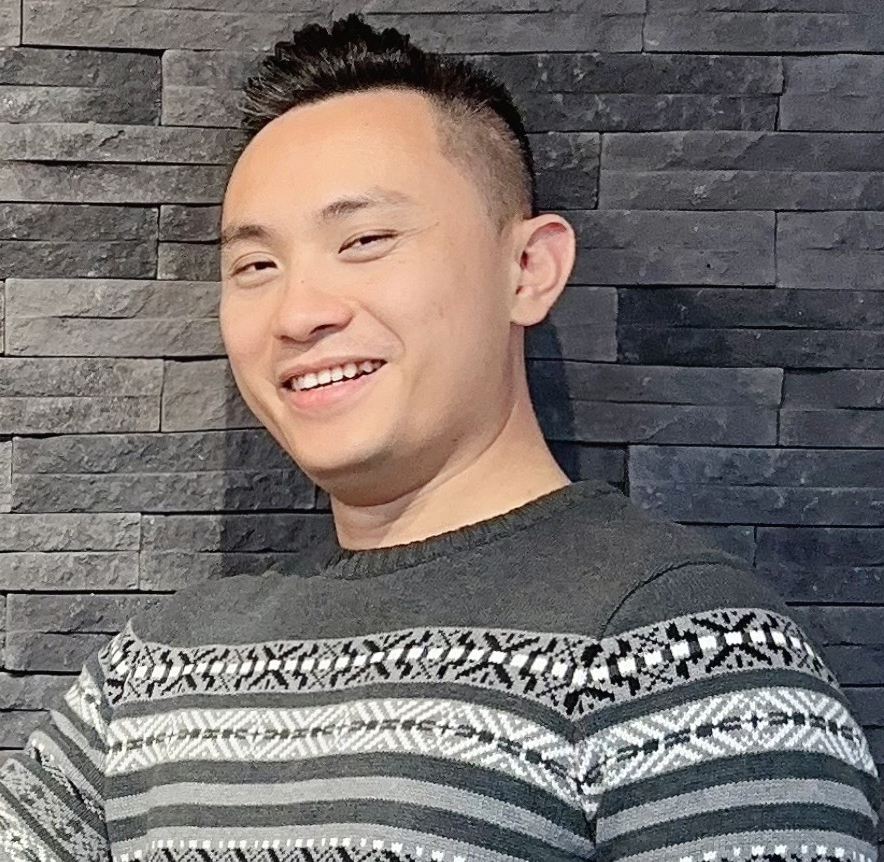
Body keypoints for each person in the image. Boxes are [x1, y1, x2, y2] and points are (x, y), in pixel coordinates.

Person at [0, 12, 879, 862]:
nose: (298, 313)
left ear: (527, 269)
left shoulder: (687, 649)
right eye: (256, 265)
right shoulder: (153, 668)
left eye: (365, 239)